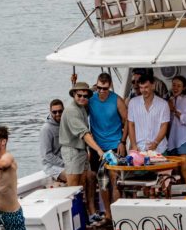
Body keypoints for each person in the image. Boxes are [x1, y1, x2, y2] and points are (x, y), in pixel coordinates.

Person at [59, 81, 104, 217]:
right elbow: (84, 134)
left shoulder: (82, 106)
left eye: (85, 96)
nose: (82, 98)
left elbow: (88, 91)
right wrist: (98, 149)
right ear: (73, 94)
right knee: (73, 188)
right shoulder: (72, 111)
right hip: (72, 150)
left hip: (81, 151)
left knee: (85, 181)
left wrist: (96, 88)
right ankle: (73, 219)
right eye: (79, 95)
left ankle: (88, 215)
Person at [87, 72, 128, 221]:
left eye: (104, 88)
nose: (101, 91)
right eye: (99, 88)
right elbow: (78, 102)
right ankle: (108, 215)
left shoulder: (117, 100)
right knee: (102, 182)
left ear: (109, 86)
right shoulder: (91, 99)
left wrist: (122, 141)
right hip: (98, 148)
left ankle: (117, 215)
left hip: (114, 146)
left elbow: (127, 120)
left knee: (114, 180)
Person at [127, 73, 169, 153]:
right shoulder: (132, 103)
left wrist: (155, 143)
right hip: (139, 148)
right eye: (141, 88)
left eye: (146, 87)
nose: (143, 90)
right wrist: (134, 145)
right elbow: (131, 125)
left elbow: (164, 126)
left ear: (153, 86)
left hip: (159, 148)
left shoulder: (163, 104)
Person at [166, 75, 186, 184]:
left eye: (179, 86)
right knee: (176, 174)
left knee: (185, 172)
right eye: (174, 85)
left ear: (184, 88)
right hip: (173, 141)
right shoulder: (170, 100)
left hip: (184, 141)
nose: (175, 88)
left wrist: (174, 110)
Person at [39, 99, 66, 182]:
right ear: (50, 112)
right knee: (72, 176)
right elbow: (47, 155)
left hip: (66, 162)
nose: (57, 114)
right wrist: (65, 164)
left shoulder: (65, 124)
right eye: (54, 112)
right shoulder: (46, 129)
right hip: (51, 166)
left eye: (60, 111)